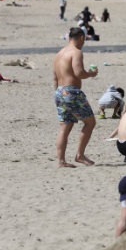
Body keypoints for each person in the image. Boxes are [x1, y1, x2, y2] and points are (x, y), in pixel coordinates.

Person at [52, 27, 98, 168]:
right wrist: (91, 73)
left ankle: (61, 161)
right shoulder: (76, 52)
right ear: (82, 38)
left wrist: (59, 95)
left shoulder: (59, 54)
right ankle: (80, 155)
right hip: (71, 92)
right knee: (90, 123)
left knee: (65, 127)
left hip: (59, 92)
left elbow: (55, 78)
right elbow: (79, 73)